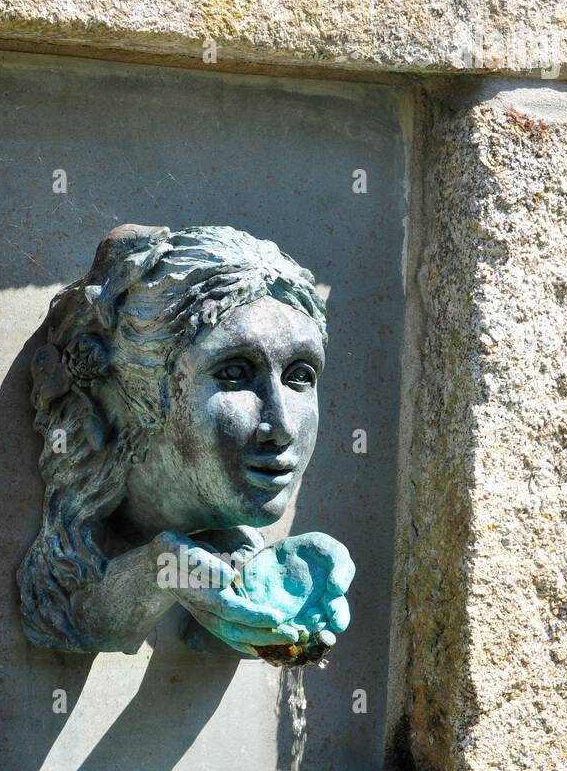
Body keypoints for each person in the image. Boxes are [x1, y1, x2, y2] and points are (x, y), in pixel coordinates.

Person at [18, 222, 354, 663]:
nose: (282, 426)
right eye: (233, 374)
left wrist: (253, 593)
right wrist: (164, 567)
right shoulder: (81, 514)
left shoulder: (230, 528)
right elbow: (64, 616)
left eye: (299, 376)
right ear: (141, 393)